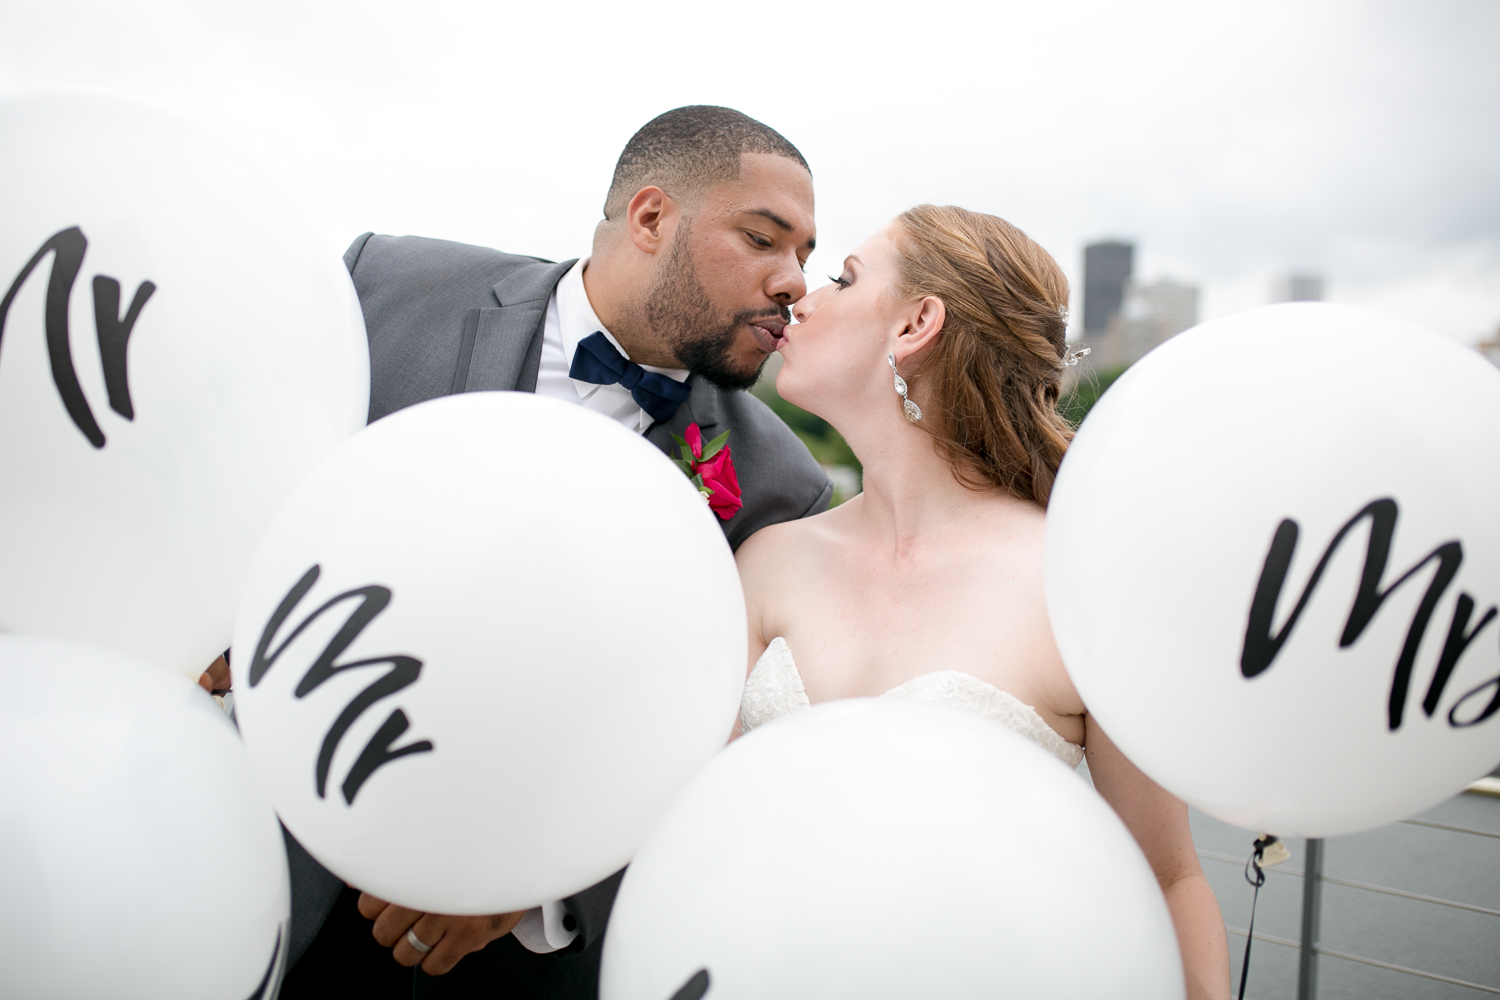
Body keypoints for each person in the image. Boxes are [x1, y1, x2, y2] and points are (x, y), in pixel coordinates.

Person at [277, 106, 832, 1000]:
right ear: (651, 218)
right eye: (766, 240)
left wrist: (532, 884)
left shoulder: (777, 487)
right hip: (270, 868)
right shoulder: (385, 285)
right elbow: (261, 478)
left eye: (807, 256)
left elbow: (698, 748)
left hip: (504, 962)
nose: (793, 282)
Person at [734, 204, 1233, 1000]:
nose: (804, 296)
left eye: (845, 277)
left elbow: (1167, 876)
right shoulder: (769, 562)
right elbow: (705, 836)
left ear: (917, 323)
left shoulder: (1077, 583)